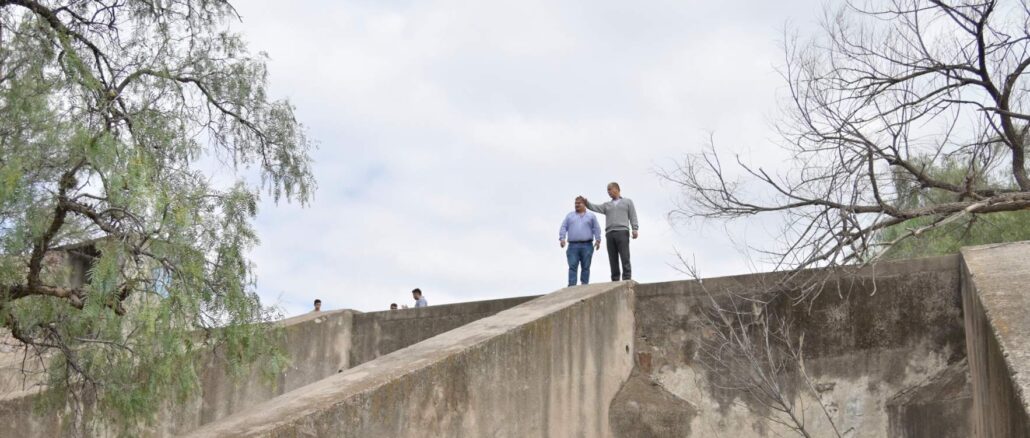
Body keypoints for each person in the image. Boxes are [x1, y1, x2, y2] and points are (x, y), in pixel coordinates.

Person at [583, 182, 639, 281]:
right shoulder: (607, 205)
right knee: (612, 258)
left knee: (625, 256)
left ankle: (627, 278)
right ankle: (615, 279)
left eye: (610, 189)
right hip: (610, 233)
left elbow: (633, 216)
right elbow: (595, 207)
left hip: (622, 231)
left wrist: (635, 229)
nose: (608, 192)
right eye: (607, 190)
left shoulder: (627, 202)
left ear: (617, 189)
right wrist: (586, 203)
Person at [559, 196, 602, 286]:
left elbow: (596, 228)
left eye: (579, 203)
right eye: (575, 203)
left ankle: (584, 285)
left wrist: (598, 240)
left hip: (587, 245)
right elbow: (563, 227)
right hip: (573, 246)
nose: (577, 205)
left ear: (584, 204)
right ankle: (572, 286)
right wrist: (562, 238)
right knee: (572, 266)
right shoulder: (570, 216)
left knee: (586, 267)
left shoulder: (591, 216)